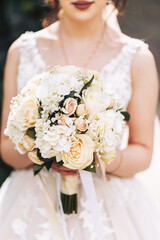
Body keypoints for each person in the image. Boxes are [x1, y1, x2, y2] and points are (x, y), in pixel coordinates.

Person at [0, 0, 160, 239]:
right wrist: (45, 147)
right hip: (32, 204)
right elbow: (6, 147)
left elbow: (143, 151)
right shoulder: (21, 51)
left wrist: (96, 158)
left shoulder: (138, 59)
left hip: (109, 206)